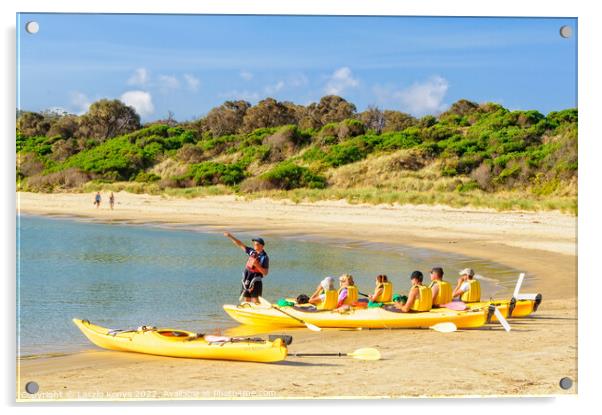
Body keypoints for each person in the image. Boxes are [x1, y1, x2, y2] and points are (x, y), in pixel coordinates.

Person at [223, 232, 269, 304]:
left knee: (255, 301)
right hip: (247, 278)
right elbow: (240, 244)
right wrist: (230, 236)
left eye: (256, 244)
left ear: (261, 246)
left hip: (255, 280)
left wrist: (257, 265)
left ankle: (258, 313)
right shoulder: (252, 252)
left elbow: (265, 273)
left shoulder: (264, 257)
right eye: (253, 244)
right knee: (247, 300)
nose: (254, 245)